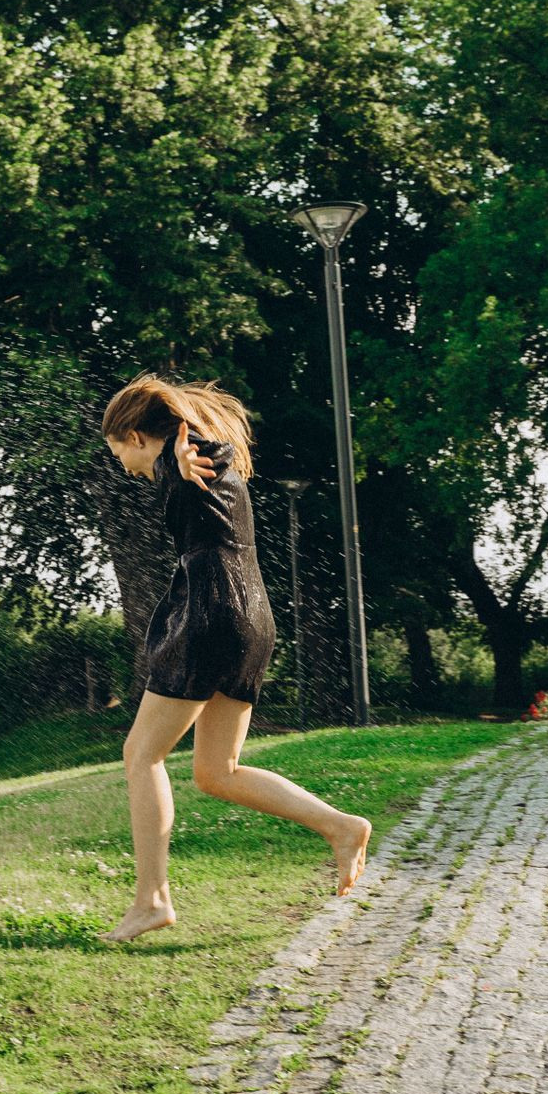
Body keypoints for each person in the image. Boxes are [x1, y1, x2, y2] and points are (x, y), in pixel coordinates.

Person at [97, 373, 372, 945]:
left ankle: (152, 900)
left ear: (135, 435)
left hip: (209, 614)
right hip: (249, 616)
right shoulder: (196, 458)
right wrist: (179, 456)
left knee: (141, 754)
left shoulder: (187, 458)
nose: (123, 466)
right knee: (216, 772)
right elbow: (198, 464)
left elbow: (189, 462)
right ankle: (341, 827)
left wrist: (177, 457)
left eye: (119, 452)